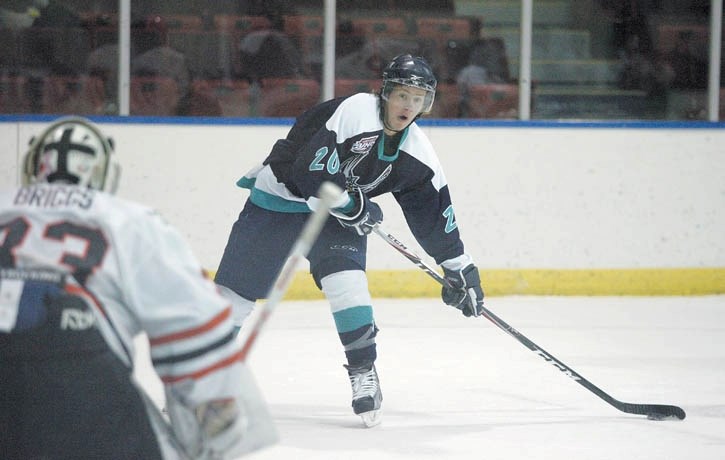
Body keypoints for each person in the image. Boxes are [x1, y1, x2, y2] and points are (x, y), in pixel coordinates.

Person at [214, 54, 485, 427]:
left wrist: (458, 266)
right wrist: (352, 203)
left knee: (349, 284)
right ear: (386, 92)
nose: (409, 105)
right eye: (403, 95)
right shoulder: (357, 110)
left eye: (418, 99)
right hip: (280, 196)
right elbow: (310, 171)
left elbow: (432, 212)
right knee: (235, 295)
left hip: (338, 213)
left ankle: (363, 372)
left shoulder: (417, 152)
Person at [0, 117, 276, 459]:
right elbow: (194, 331)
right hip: (80, 390)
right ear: (103, 171)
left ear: (33, 165)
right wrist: (215, 433)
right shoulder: (129, 222)